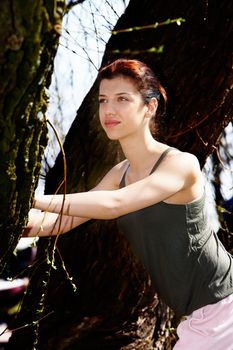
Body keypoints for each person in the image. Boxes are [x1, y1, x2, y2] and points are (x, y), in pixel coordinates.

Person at [23, 59, 233, 349]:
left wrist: (31, 198)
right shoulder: (119, 174)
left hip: (226, 307)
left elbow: (114, 204)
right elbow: (61, 221)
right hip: (198, 315)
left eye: (122, 99)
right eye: (103, 100)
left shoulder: (181, 164)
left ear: (150, 107)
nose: (109, 109)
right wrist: (18, 219)